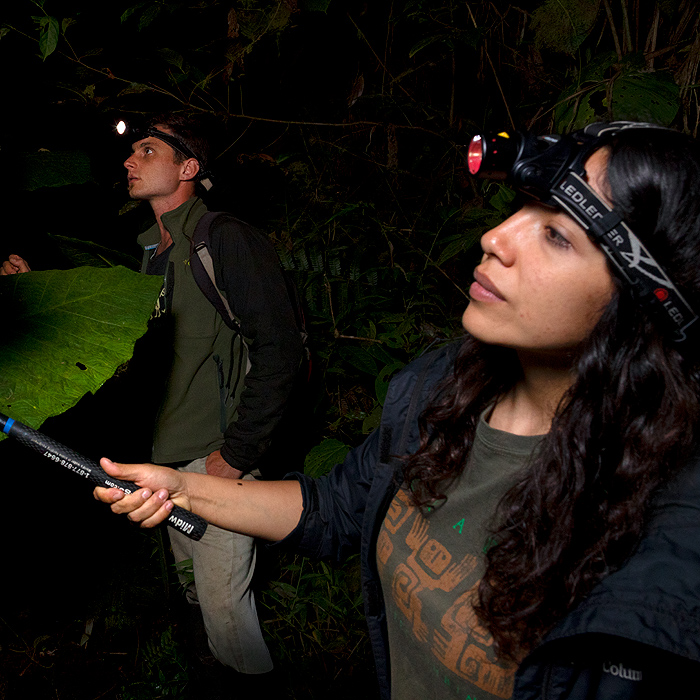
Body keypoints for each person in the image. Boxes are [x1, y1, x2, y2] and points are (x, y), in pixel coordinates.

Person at [93, 122, 700, 699]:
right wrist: (181, 487)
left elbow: (276, 348)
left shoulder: (666, 537)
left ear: (647, 301)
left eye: (559, 235)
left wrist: (235, 451)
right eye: (525, 209)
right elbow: (336, 510)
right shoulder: (437, 389)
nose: (496, 237)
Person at [7, 114, 304, 690]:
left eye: (147, 150)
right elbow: (123, 342)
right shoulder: (150, 255)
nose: (129, 159)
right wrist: (35, 281)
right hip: (167, 464)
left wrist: (235, 456)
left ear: (188, 168)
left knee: (227, 617)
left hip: (215, 461)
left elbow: (280, 350)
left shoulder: (224, 239)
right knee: (195, 596)